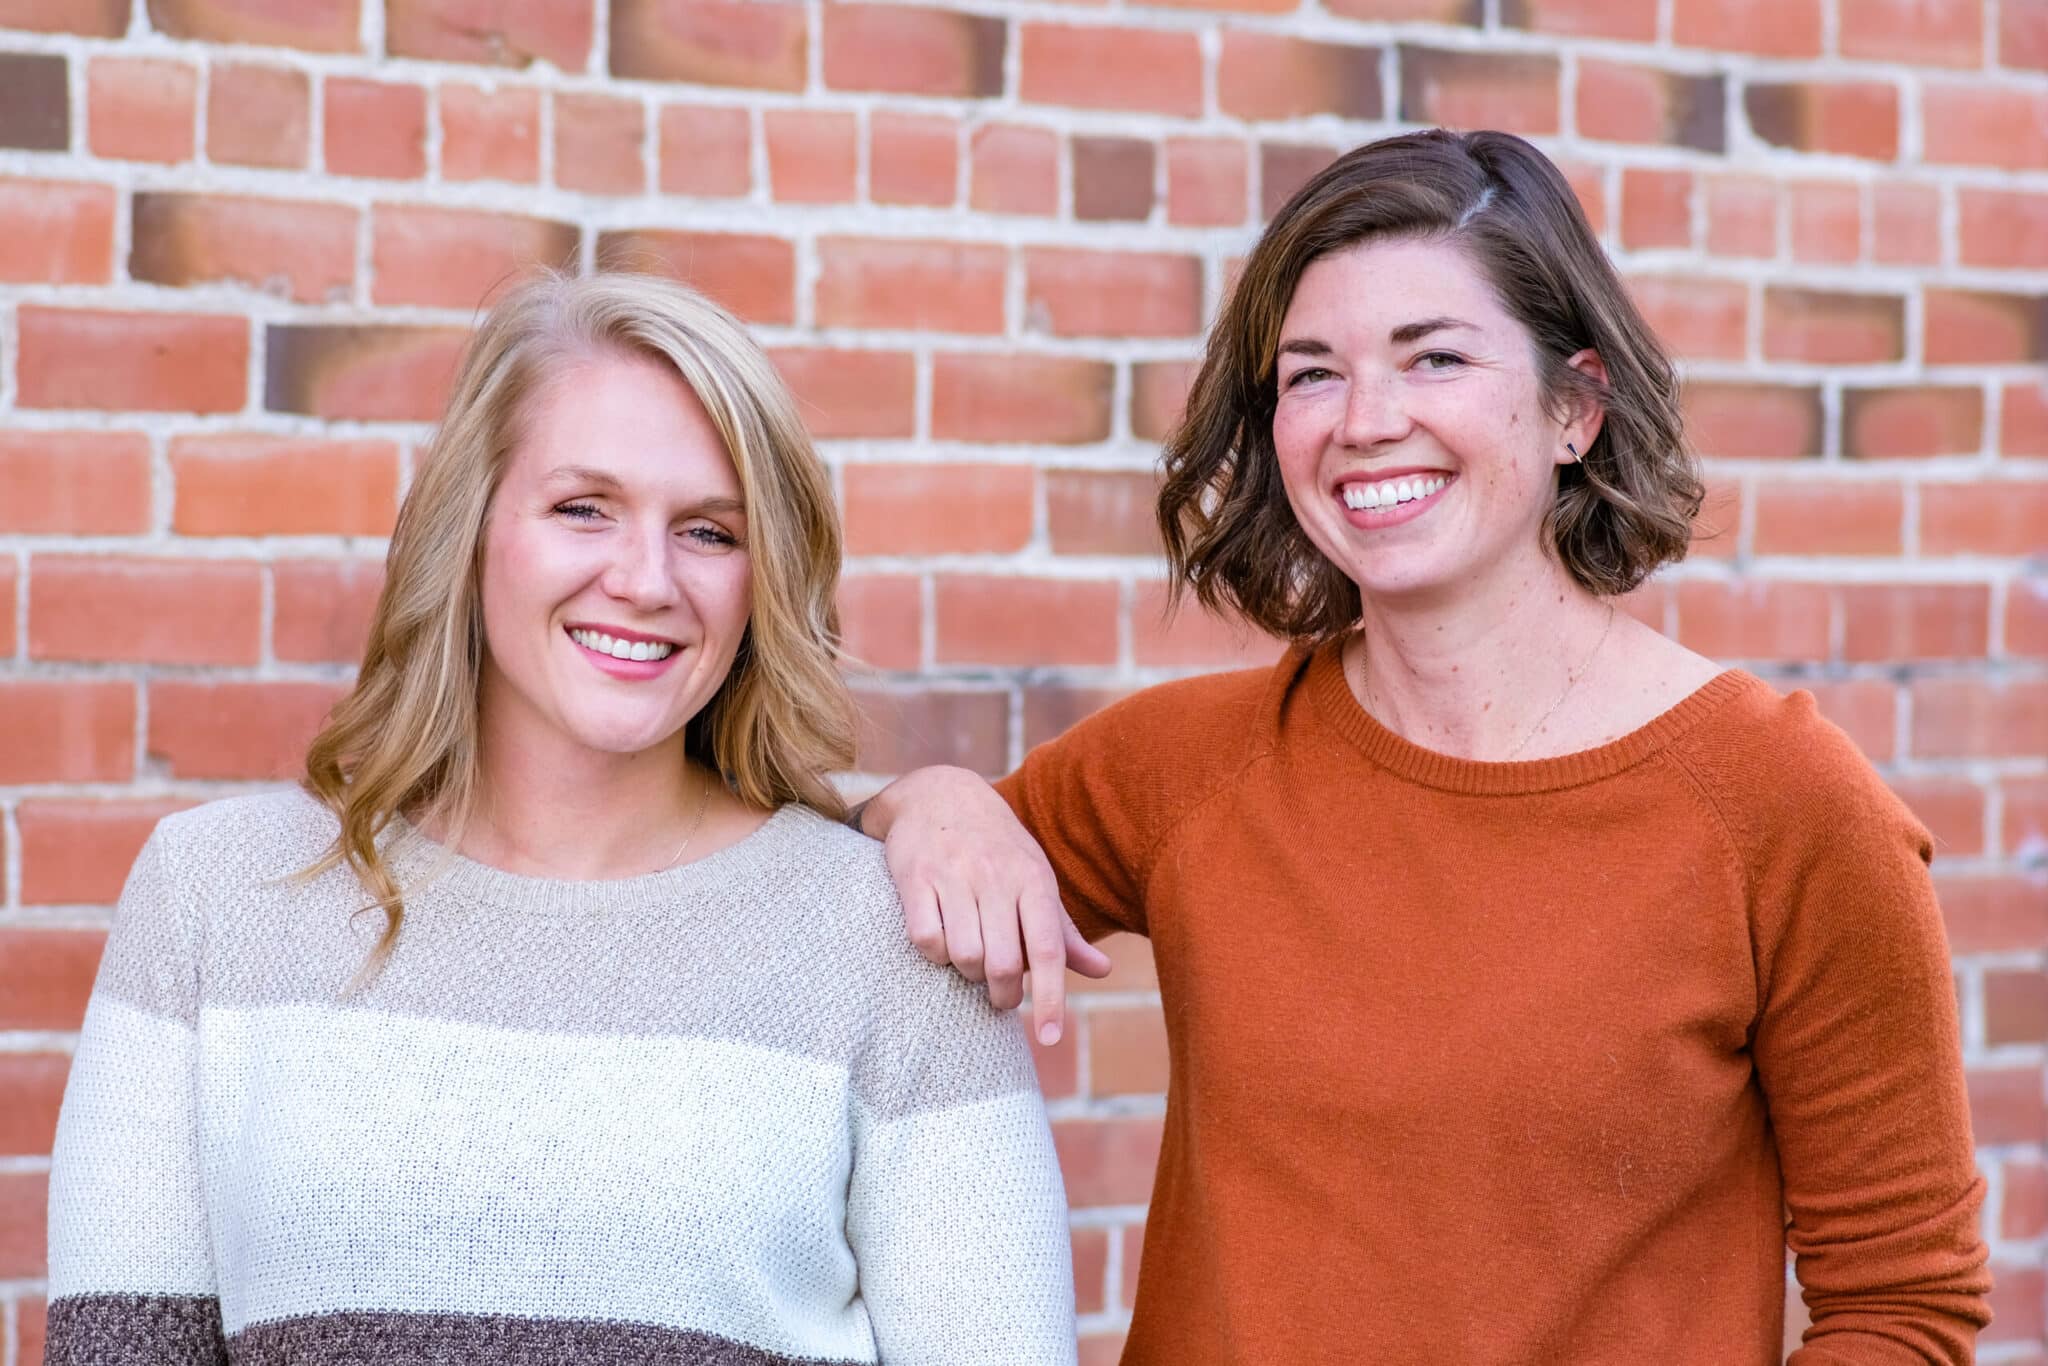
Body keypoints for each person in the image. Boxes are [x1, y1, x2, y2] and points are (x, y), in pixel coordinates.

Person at [858, 130, 1990, 1363]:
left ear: (1574, 406)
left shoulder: (1780, 806)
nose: (1366, 421)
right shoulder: (1181, 770)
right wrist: (923, 801)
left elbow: (1902, 1306)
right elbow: (802, 876)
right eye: (1310, 375)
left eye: (1433, 357)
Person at [45, 272, 1077, 1365]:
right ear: (473, 527)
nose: (643, 578)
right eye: (582, 506)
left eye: (709, 531)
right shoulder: (215, 890)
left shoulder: (892, 936)